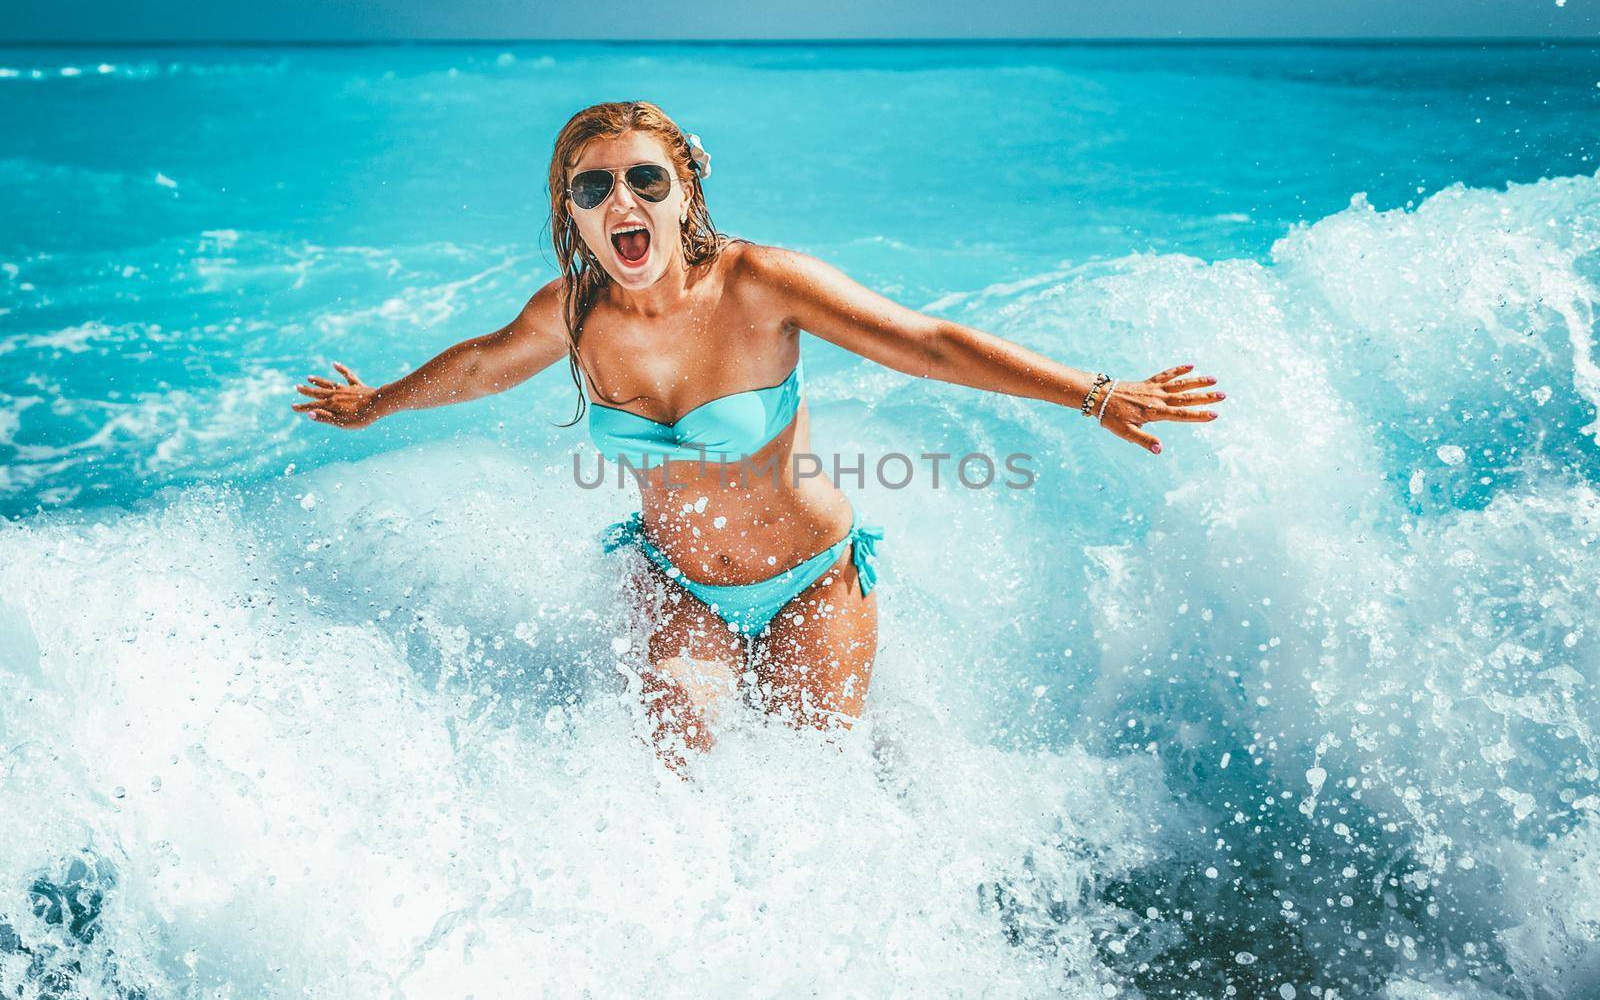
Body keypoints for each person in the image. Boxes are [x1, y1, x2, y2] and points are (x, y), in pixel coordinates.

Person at [290, 100, 1226, 772]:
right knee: (674, 789)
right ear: (571, 210)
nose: (623, 199)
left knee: (815, 789)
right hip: (677, 580)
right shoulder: (574, 312)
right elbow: (484, 362)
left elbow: (927, 343)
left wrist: (1093, 392)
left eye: (645, 178)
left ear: (685, 185)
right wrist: (379, 404)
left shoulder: (760, 286)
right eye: (595, 185)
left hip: (812, 578)